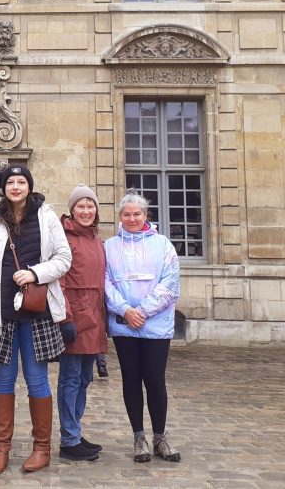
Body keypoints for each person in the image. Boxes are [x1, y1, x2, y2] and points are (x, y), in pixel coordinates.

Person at [0, 166, 71, 475]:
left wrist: (34, 273)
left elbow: (64, 258)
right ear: (2, 188)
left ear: (29, 186)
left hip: (37, 312)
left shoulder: (46, 216)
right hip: (2, 313)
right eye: (10, 182)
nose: (15, 187)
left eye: (21, 181)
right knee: (3, 381)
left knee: (36, 380)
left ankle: (41, 449)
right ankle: (1, 448)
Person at [104, 192, 182, 464]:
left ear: (146, 216)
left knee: (155, 381)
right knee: (131, 381)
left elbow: (170, 284)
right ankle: (139, 437)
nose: (132, 218)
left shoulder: (163, 245)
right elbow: (105, 283)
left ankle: (160, 436)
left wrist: (143, 311)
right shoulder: (110, 246)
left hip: (155, 326)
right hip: (125, 327)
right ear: (120, 217)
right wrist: (125, 310)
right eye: (127, 214)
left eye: (137, 214)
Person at [56, 184, 108, 462]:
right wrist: (65, 317)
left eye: (91, 206)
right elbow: (59, 280)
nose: (86, 211)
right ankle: (69, 439)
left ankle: (74, 430)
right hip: (76, 318)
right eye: (81, 206)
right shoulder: (65, 238)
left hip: (95, 317)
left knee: (85, 379)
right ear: (72, 210)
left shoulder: (95, 238)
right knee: (71, 379)